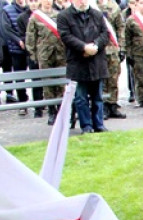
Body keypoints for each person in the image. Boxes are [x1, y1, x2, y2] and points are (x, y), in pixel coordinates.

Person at [57, 0, 108, 133]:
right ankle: (86, 126)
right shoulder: (64, 16)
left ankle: (99, 124)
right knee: (80, 98)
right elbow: (66, 36)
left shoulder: (97, 14)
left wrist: (95, 46)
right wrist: (84, 47)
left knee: (98, 97)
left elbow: (104, 34)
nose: (83, 1)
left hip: (97, 62)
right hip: (77, 62)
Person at [24, 0, 64, 123]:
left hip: (60, 53)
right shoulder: (35, 17)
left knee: (61, 83)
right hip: (44, 55)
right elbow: (30, 37)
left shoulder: (59, 15)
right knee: (47, 84)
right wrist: (33, 55)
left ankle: (61, 110)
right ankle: (51, 111)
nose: (47, 2)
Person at [97, 0, 125, 119]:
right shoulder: (91, 6)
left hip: (113, 48)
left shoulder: (114, 6)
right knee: (101, 79)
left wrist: (122, 47)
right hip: (98, 49)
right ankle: (103, 106)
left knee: (113, 77)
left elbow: (120, 27)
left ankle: (112, 104)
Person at [3, 0, 31, 115]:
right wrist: (19, 40)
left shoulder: (33, 8)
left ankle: (40, 104)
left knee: (37, 76)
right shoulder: (7, 10)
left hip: (32, 49)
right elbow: (7, 29)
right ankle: (23, 103)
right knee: (20, 77)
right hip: (16, 49)